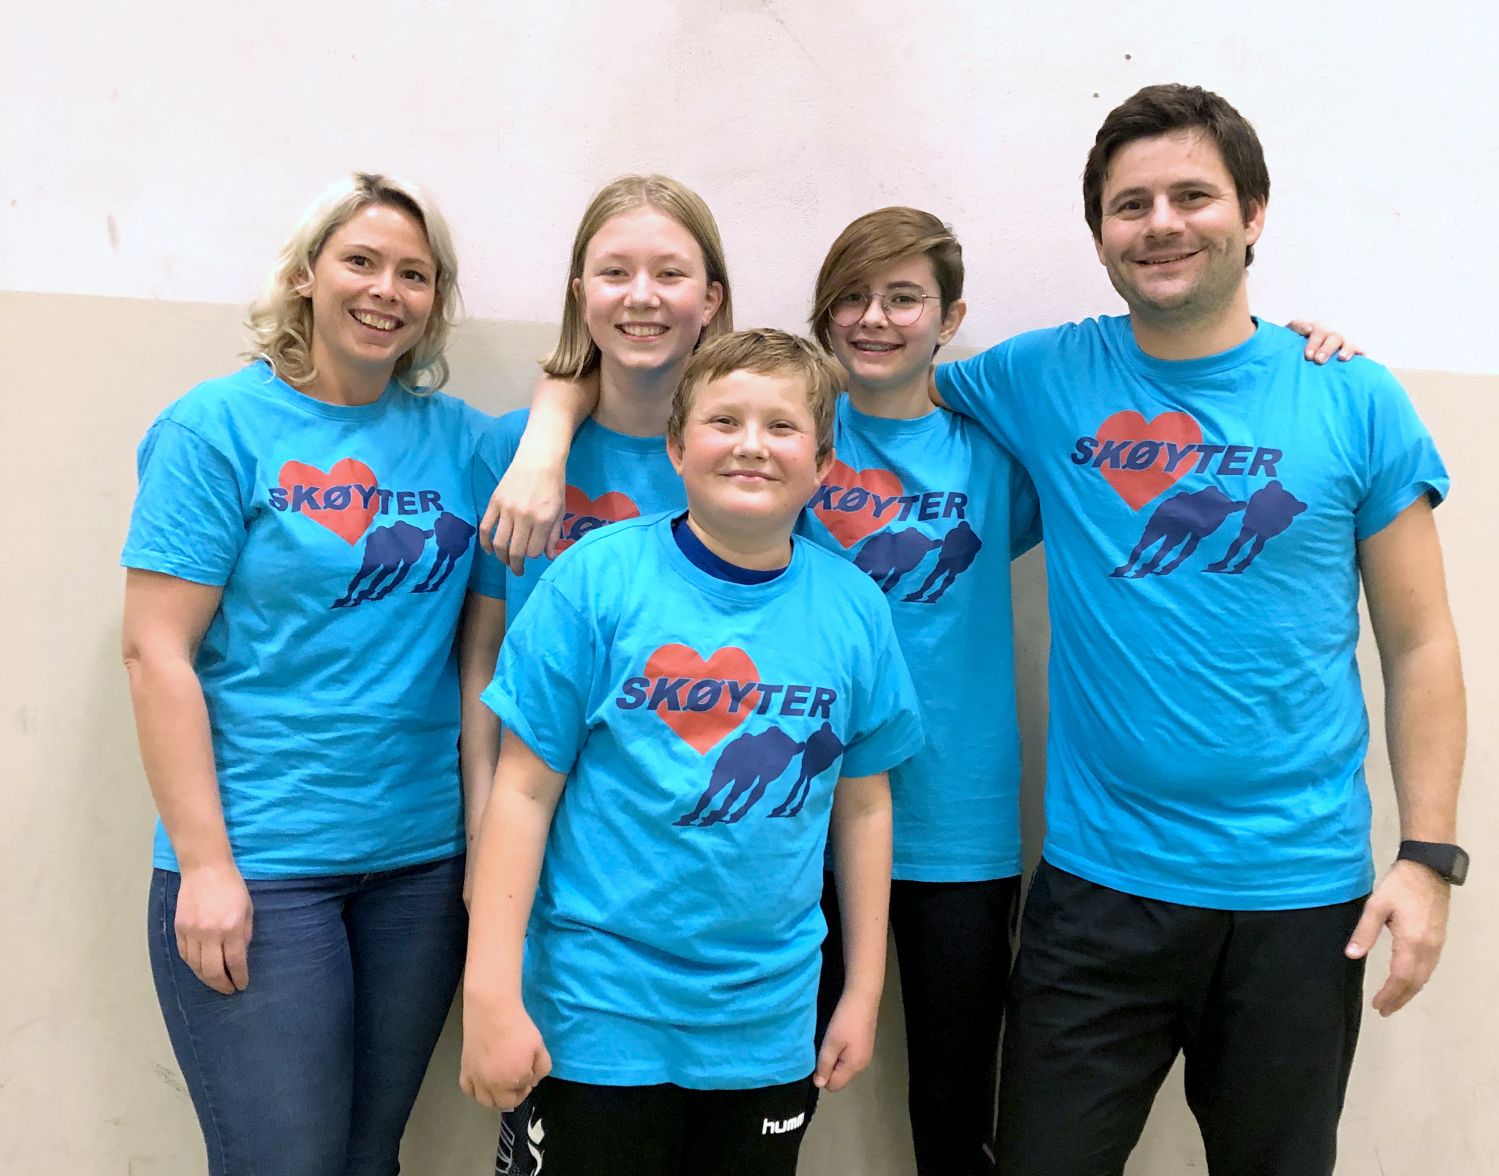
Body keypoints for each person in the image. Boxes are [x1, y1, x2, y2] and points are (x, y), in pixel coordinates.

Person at [930, 84, 1467, 1175]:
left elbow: (1420, 644)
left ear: (1252, 214)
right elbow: (874, 384)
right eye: (1129, 206)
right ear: (1098, 236)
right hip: (1096, 890)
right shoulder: (1043, 374)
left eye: (1192, 196)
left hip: (1299, 898)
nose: (1160, 224)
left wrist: (1424, 859)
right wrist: (574, 404)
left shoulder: (1352, 397)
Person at [459, 329, 925, 1176]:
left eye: (781, 427)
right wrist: (490, 990)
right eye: (723, 421)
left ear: (823, 463)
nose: (751, 444)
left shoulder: (854, 608)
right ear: (675, 447)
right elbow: (521, 794)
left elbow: (863, 806)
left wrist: (860, 992)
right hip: (596, 1010)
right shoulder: (594, 580)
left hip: (766, 1022)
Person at [121, 172, 489, 1176]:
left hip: (419, 864)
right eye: (360, 261)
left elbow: (592, 409)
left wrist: (552, 420)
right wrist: (205, 865)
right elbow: (155, 652)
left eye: (414, 273)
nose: (385, 291)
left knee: (369, 1159)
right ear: (305, 276)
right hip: (261, 862)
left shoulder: (462, 441)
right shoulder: (215, 429)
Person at [800, 207, 1039, 1176]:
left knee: (954, 1109)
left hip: (959, 823)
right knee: (769, 1091)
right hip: (802, 819)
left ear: (950, 318)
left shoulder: (996, 454)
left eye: (903, 298)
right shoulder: (790, 435)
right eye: (851, 296)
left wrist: (1294, 344)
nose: (873, 318)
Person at [459, 175, 729, 860]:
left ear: (710, 300)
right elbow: (485, 655)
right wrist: (482, 826)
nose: (641, 295)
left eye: (670, 273)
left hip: (685, 838)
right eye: (614, 272)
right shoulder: (512, 451)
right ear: (581, 296)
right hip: (532, 831)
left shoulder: (739, 463)